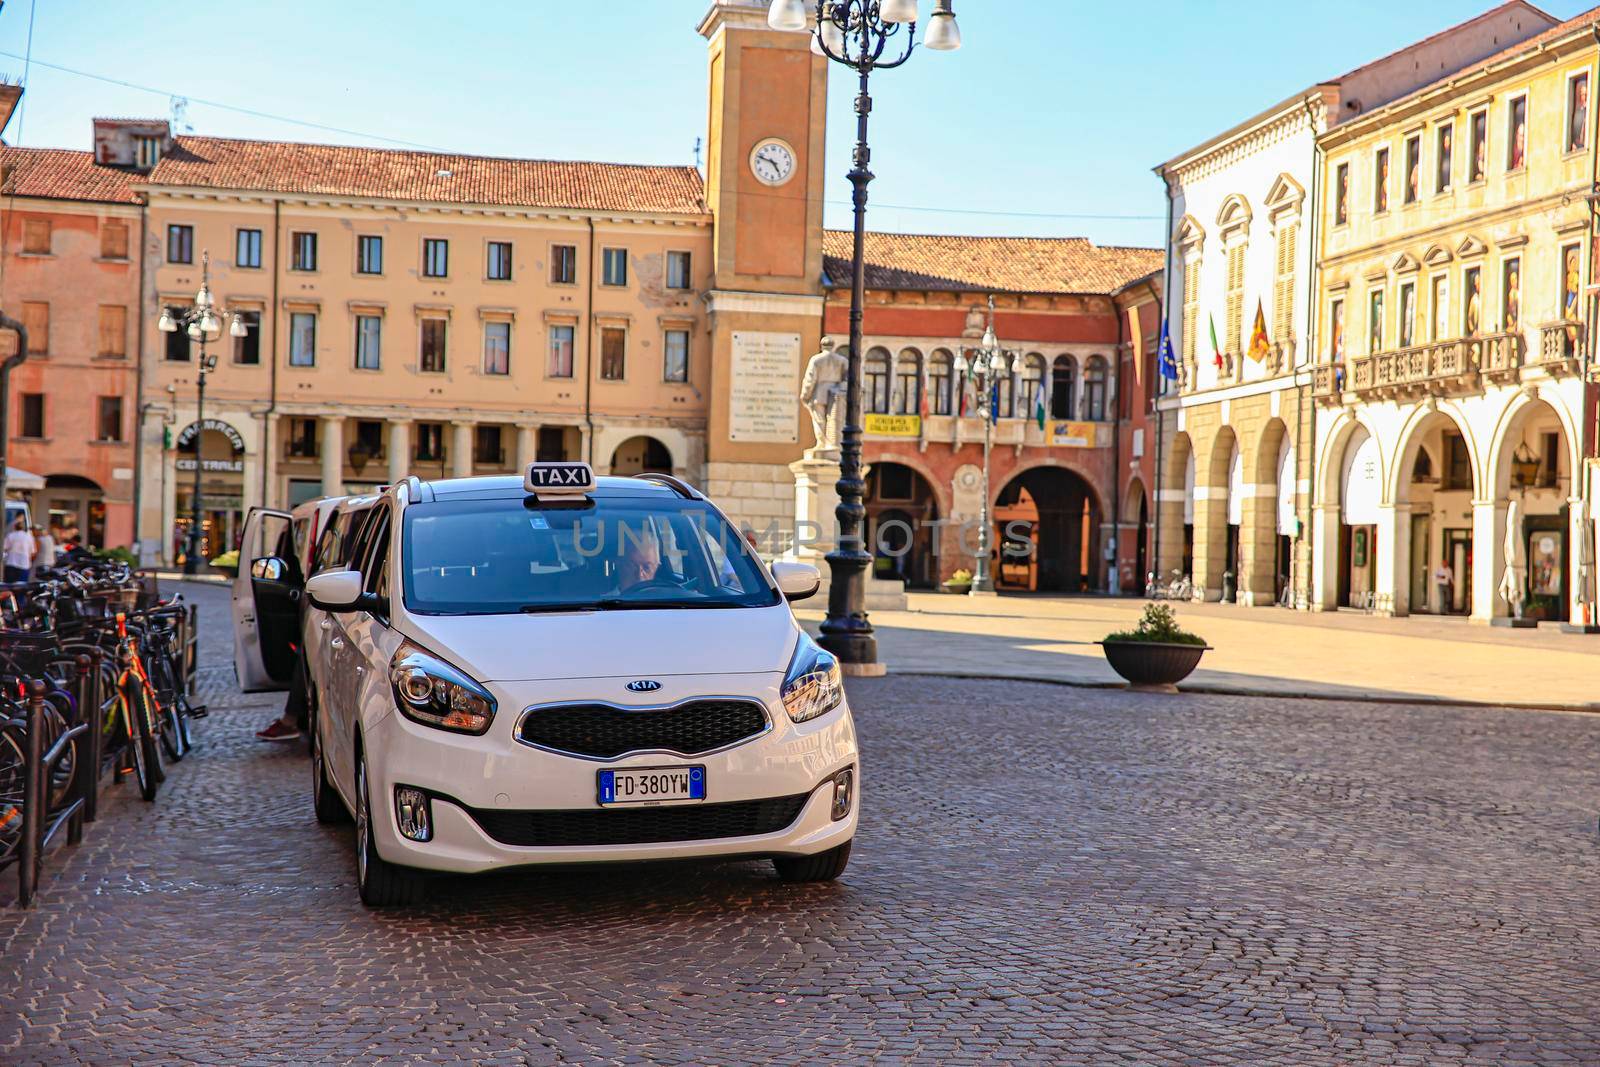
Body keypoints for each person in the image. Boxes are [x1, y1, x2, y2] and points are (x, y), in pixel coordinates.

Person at [3, 517, 35, 584]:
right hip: (24, 565)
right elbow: (33, 552)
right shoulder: (29, 537)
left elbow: (5, 548)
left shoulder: (10, 535)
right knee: (21, 587)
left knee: (9, 587)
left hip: (11, 563)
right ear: (23, 528)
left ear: (15, 527)